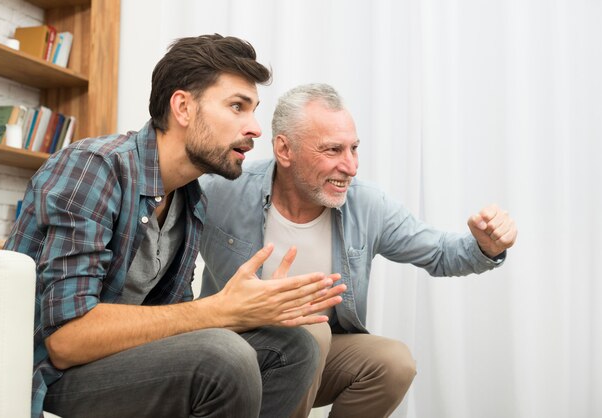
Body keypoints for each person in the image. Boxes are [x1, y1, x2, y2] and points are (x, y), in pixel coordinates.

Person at [4, 38, 346, 418]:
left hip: (117, 362)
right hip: (49, 376)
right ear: (183, 107)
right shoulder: (94, 168)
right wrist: (221, 310)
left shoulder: (190, 199)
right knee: (222, 356)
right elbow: (66, 339)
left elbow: (174, 320)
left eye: (254, 111)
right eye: (237, 106)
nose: (254, 129)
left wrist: (252, 309)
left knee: (293, 347)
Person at [199, 83, 518, 417]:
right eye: (333, 150)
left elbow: (440, 253)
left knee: (393, 363)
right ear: (284, 149)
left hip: (317, 355)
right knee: (311, 330)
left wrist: (485, 245)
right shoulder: (222, 189)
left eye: (354, 149)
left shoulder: (366, 205)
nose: (350, 166)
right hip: (235, 350)